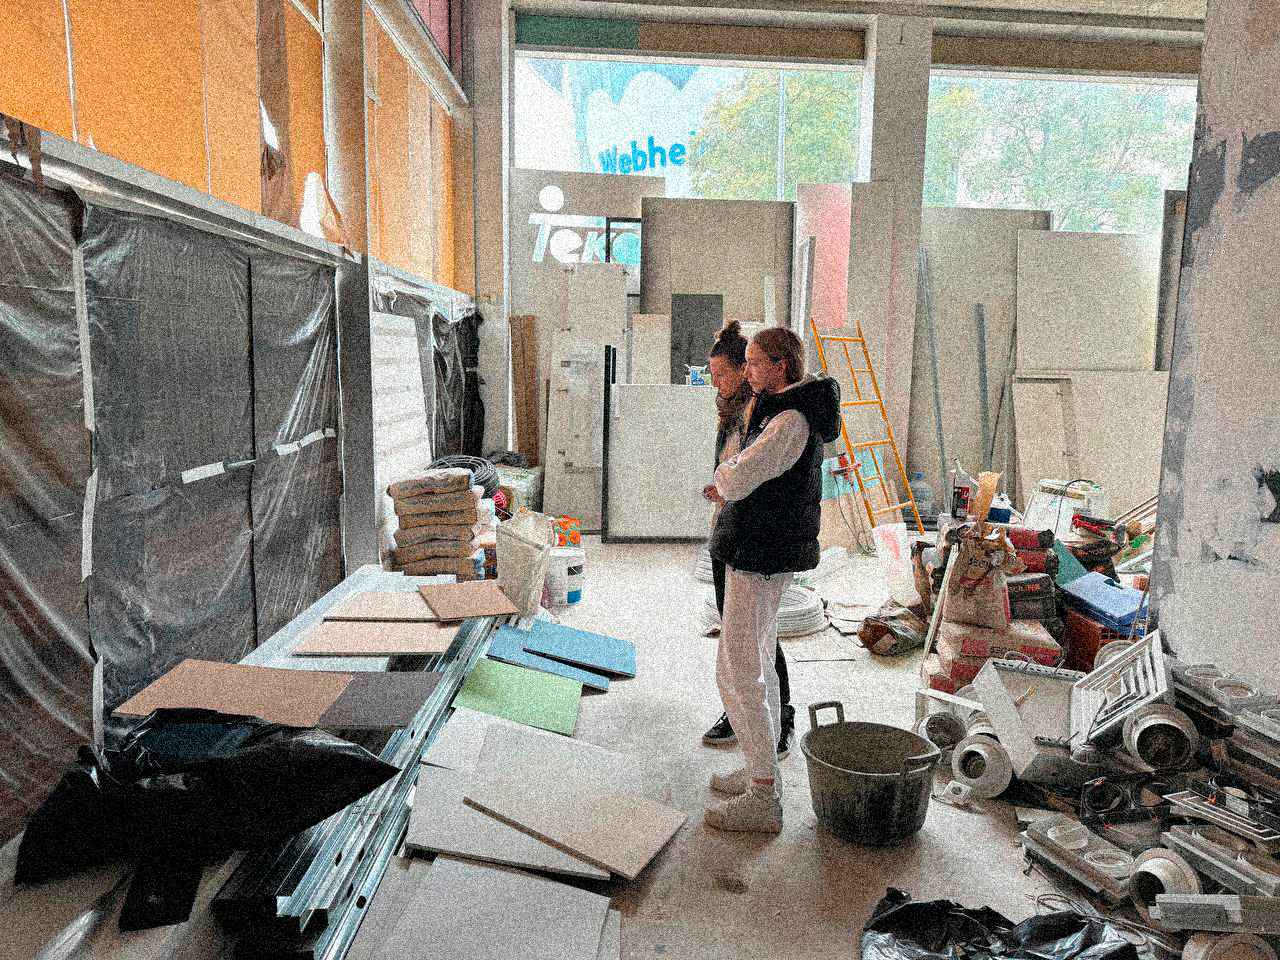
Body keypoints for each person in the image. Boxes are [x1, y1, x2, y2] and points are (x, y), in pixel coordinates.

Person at [703, 327, 840, 833]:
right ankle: (759, 769)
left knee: (739, 667)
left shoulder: (790, 420)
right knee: (756, 659)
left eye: (755, 362)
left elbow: (739, 476)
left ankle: (764, 797)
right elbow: (739, 471)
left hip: (761, 551)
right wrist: (730, 475)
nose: (748, 372)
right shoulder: (778, 410)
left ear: (781, 367)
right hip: (758, 547)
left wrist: (727, 476)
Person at [701, 322, 796, 757]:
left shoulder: (774, 415)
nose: (716, 383)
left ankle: (780, 719)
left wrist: (730, 483)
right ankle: (740, 714)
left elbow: (754, 474)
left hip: (756, 539)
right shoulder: (732, 410)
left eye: (723, 373)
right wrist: (722, 487)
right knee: (736, 634)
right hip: (730, 527)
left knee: (756, 637)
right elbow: (733, 466)